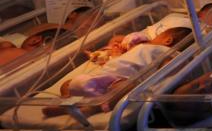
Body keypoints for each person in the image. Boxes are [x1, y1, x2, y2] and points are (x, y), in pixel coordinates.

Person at [41, 27, 192, 119]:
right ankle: (68, 102)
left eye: (158, 36)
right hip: (103, 75)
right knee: (67, 84)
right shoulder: (142, 47)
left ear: (168, 40)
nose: (152, 38)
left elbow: (166, 71)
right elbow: (123, 59)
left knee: (125, 87)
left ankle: (93, 107)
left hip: (124, 79)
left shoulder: (169, 53)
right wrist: (115, 54)